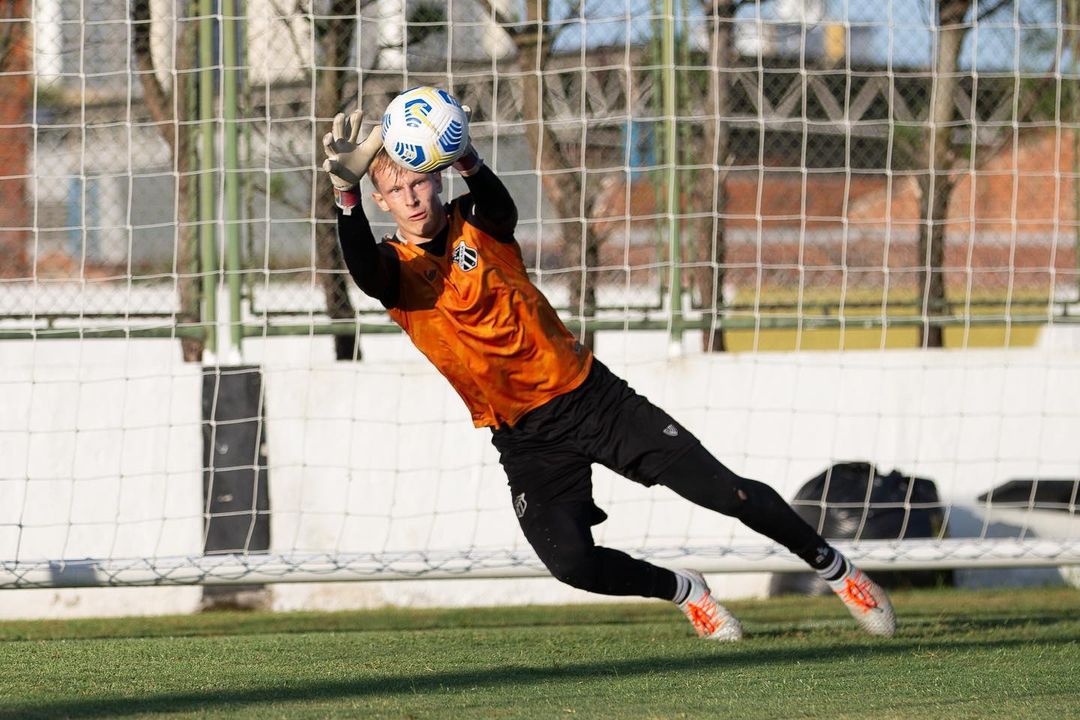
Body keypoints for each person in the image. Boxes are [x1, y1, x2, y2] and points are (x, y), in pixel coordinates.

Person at [322, 107, 896, 640]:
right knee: (571, 563)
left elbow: (501, 206)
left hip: (592, 399)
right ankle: (684, 590)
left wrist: (468, 154)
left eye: (418, 180)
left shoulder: (479, 222)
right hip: (524, 437)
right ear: (381, 200)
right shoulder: (394, 270)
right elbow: (364, 269)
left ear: (437, 176)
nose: (411, 197)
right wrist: (345, 196)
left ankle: (836, 568)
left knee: (728, 492)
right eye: (395, 190)